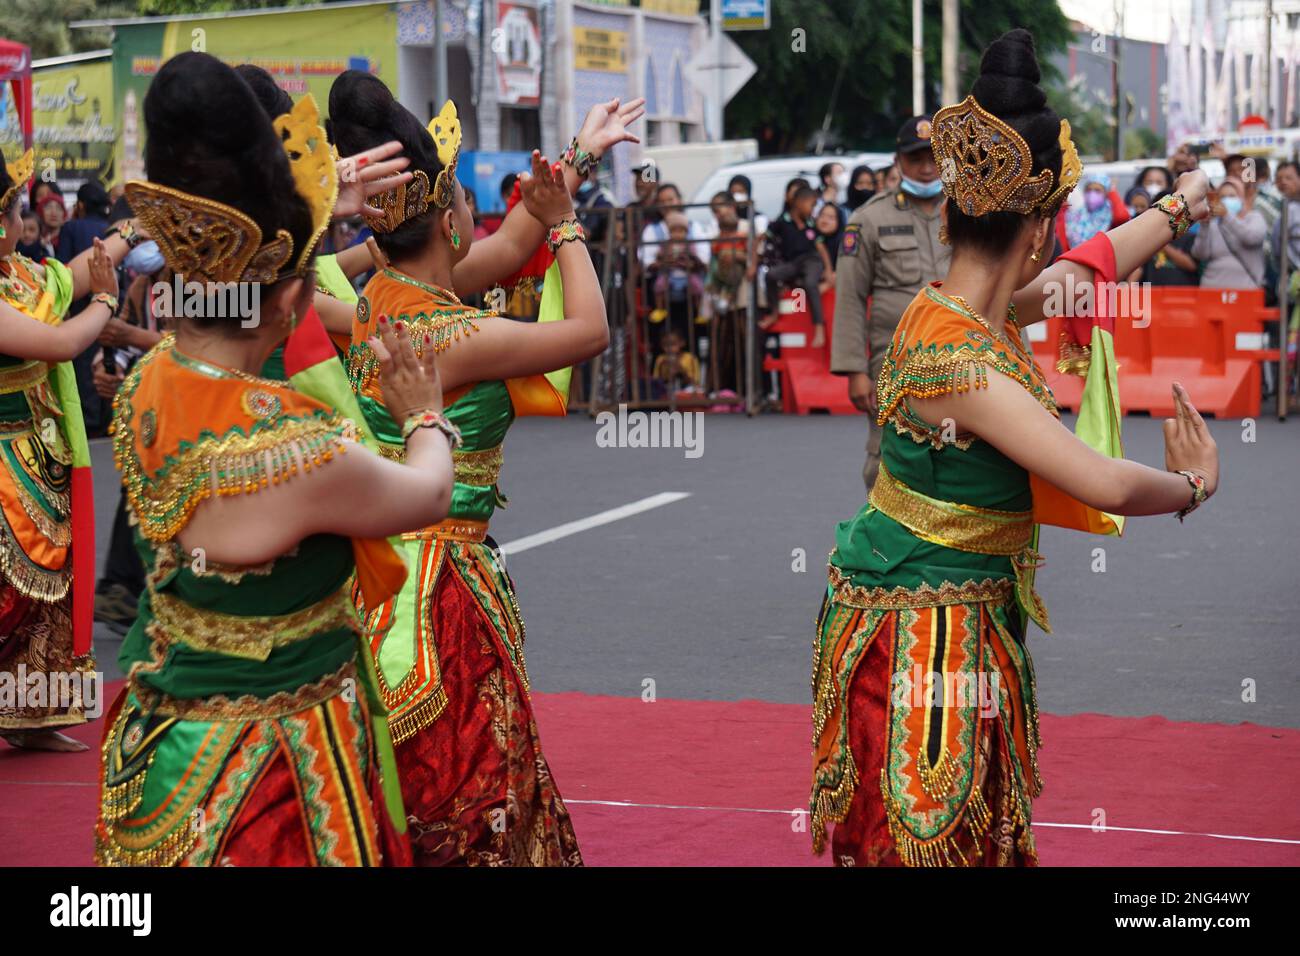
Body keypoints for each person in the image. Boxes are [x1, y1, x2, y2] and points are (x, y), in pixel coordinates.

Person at [811, 28, 1218, 868]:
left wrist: (1180, 204)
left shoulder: (955, 308)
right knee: (930, 843)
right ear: (1035, 227)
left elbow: (1086, 270)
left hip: (959, 615)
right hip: (929, 635)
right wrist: (1194, 484)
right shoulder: (957, 360)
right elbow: (1099, 480)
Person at [93, 52, 459, 866]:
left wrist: (314, 216)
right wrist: (425, 414)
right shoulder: (296, 449)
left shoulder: (153, 381)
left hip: (165, 748)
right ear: (297, 297)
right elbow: (426, 495)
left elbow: (243, 288)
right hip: (275, 773)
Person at [331, 71, 639, 866]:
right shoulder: (453, 334)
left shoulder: (385, 295)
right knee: (471, 784)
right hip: (441, 584)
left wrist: (577, 155)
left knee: (435, 784)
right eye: (468, 201)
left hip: (388, 570)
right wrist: (568, 225)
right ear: (446, 219)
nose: (479, 217)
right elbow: (587, 330)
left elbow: (508, 246)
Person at [0, 144, 145, 750]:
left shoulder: (24, 275)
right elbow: (59, 342)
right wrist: (108, 306)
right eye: (13, 212)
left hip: (43, 453)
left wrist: (131, 229)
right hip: (5, 459)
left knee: (48, 596)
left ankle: (35, 716)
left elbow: (81, 271)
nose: (20, 223)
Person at [831, 115, 949, 492]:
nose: (927, 168)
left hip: (962, 358)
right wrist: (853, 370)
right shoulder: (869, 219)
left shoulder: (969, 214)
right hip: (893, 362)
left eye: (934, 157)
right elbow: (850, 295)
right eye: (916, 159)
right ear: (899, 161)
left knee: (960, 455)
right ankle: (885, 545)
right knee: (887, 460)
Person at [762, 183, 826, 348]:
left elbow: (821, 248)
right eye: (811, 205)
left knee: (810, 284)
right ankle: (774, 312)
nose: (812, 209)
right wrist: (753, 262)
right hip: (793, 263)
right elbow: (763, 237)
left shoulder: (811, 224)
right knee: (771, 275)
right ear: (798, 203)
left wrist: (829, 270)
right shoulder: (782, 221)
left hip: (812, 260)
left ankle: (819, 328)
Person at [1192, 176, 1267, 289]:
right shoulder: (1213, 224)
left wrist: (1227, 216)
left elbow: (1252, 238)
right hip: (1212, 290)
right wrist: (1204, 226)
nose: (1226, 200)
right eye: (1222, 197)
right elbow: (1200, 254)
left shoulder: (1254, 218)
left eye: (1232, 196)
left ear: (1242, 197)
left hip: (1246, 291)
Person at [1056, 171, 1129, 252]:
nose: (1092, 194)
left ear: (1106, 193)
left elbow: (1122, 217)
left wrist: (1112, 191)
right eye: (1089, 190)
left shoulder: (1110, 216)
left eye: (1097, 190)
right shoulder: (1075, 214)